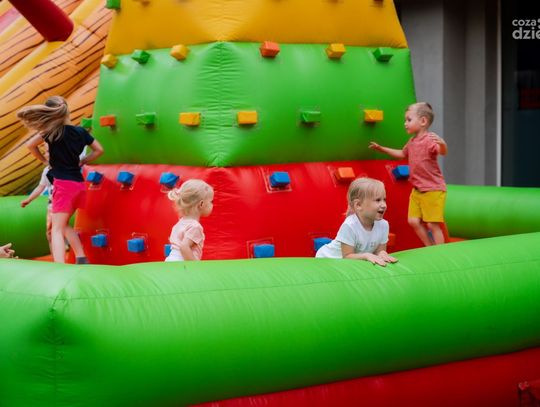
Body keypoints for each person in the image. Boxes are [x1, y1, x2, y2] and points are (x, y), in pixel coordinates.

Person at [17, 95, 104, 264]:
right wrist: (83, 161)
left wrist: (44, 160)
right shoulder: (81, 132)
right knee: (62, 225)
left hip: (63, 186)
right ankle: (81, 257)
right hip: (79, 185)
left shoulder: (52, 132)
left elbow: (30, 145)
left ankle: (60, 265)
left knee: (56, 229)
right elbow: (99, 150)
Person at [369, 102, 448, 246]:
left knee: (432, 224)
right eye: (405, 120)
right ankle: (429, 247)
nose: (405, 123)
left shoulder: (429, 139)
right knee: (413, 221)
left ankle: (441, 252)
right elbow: (401, 154)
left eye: (409, 120)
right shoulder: (412, 141)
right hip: (417, 191)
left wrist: (442, 144)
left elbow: (441, 151)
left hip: (433, 189)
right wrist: (382, 149)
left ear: (423, 121)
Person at [316, 177, 398, 266]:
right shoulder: (350, 226)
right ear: (358, 205)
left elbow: (379, 251)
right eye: (378, 200)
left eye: (384, 199)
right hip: (327, 259)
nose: (384, 205)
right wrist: (366, 256)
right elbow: (347, 256)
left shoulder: (383, 225)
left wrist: (382, 253)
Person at [165, 179, 214, 262]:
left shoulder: (180, 223)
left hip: (170, 261)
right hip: (182, 264)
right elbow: (184, 247)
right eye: (211, 201)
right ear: (201, 204)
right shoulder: (195, 226)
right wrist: (195, 266)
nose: (212, 204)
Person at [21, 165, 53, 252]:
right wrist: (29, 199)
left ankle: (77, 251)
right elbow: (40, 187)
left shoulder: (65, 164)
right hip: (52, 205)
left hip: (59, 204)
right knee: (50, 233)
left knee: (58, 230)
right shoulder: (47, 170)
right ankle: (57, 258)